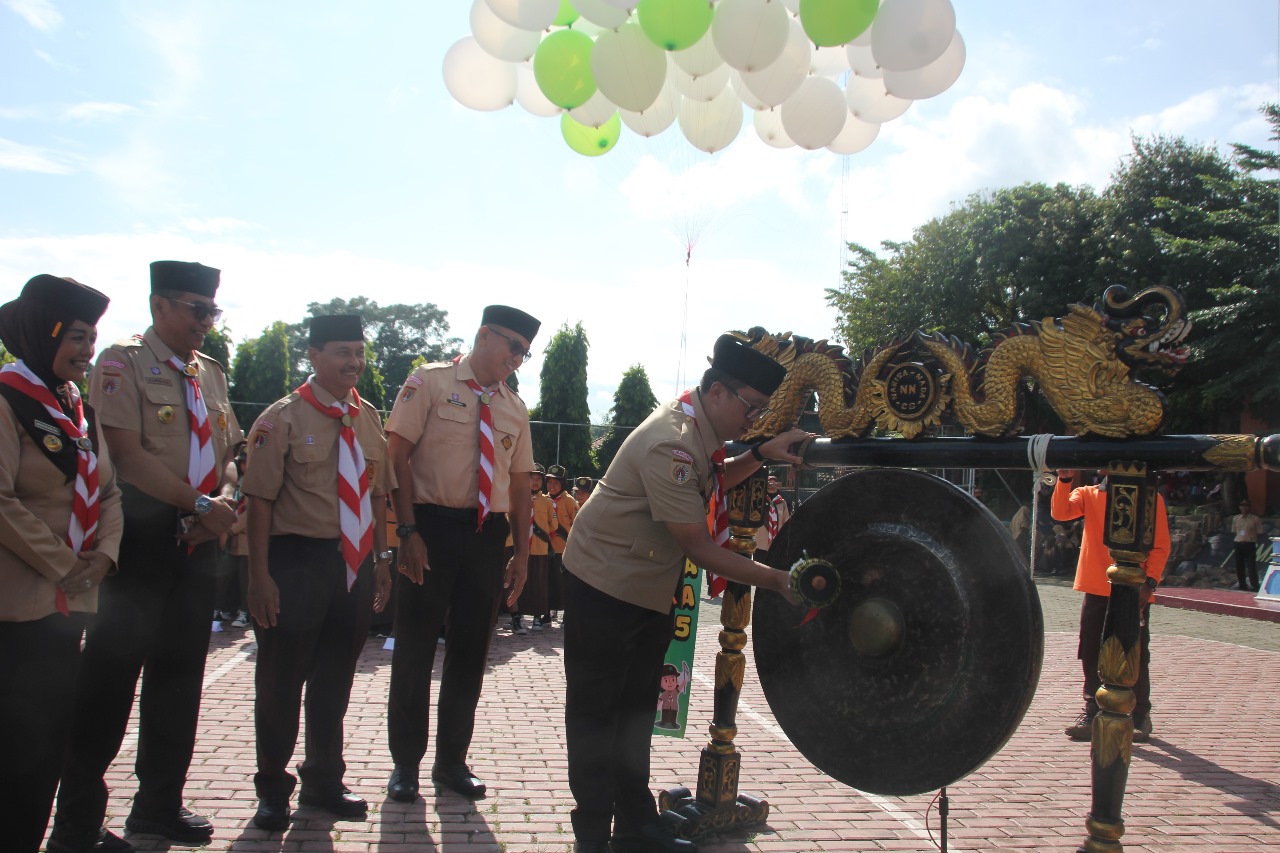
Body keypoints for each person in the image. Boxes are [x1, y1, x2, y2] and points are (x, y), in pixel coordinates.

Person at [562, 334, 811, 853]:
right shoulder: (673, 441)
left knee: (634, 713)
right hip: (604, 588)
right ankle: (591, 837)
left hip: (647, 591)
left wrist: (761, 453)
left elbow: (714, 485)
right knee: (595, 716)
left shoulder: (698, 433)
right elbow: (697, 544)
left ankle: (634, 825)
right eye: (752, 407)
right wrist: (775, 580)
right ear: (718, 391)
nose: (753, 419)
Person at [51, 261, 242, 851]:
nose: (207, 322)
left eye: (213, 311)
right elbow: (126, 457)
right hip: (138, 541)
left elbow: (230, 451)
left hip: (197, 544)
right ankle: (76, 824)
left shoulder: (208, 373)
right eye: (197, 309)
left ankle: (157, 807)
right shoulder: (121, 363)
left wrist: (225, 500)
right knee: (108, 683)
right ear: (161, 305)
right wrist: (200, 503)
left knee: (180, 680)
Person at [240, 314, 394, 831]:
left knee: (335, 680)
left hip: (350, 564)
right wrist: (258, 576)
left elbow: (376, 494)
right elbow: (258, 502)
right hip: (295, 561)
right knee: (281, 682)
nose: (354, 362)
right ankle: (272, 790)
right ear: (314, 355)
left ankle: (324, 780)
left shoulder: (368, 417)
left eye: (359, 352)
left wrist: (383, 559)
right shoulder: (281, 418)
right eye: (342, 352)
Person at [384, 305, 539, 802]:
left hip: (486, 537)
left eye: (525, 352)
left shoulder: (514, 408)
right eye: (512, 346)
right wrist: (406, 530)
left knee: (471, 653)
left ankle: (451, 762)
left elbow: (519, 488)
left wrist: (520, 552)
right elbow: (396, 457)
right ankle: (405, 764)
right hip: (429, 526)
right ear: (484, 335)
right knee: (414, 648)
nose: (518, 358)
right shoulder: (430, 382)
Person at [0, 275, 122, 853]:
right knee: (14, 750)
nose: (87, 350)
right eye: (77, 336)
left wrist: (103, 556)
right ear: (42, 333)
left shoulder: (79, 408)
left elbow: (110, 494)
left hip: (68, 605)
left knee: (45, 748)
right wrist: (64, 563)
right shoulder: (6, 399)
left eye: (93, 337)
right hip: (16, 606)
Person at [1052, 469, 1170, 744]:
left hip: (1133, 588)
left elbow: (1161, 545)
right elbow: (1061, 512)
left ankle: (1139, 716)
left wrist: (1150, 582)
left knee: (1135, 653)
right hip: (1096, 586)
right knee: (1090, 650)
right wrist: (1065, 479)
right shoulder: (1089, 494)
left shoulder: (1150, 500)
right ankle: (1093, 711)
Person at [508, 464, 555, 635]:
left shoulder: (547, 502)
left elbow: (553, 525)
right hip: (517, 547)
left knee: (537, 583)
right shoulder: (515, 498)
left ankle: (537, 616)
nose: (534, 482)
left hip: (538, 548)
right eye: (531, 478)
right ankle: (516, 616)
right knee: (514, 582)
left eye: (538, 479)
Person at [544, 463, 577, 627]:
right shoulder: (544, 500)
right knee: (548, 582)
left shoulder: (569, 501)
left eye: (556, 483)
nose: (552, 486)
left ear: (563, 483)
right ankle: (546, 612)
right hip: (545, 549)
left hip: (563, 549)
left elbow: (577, 524)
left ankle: (566, 613)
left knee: (562, 583)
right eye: (549, 482)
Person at [752, 473, 791, 559]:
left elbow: (786, 522)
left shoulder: (782, 502)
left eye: (775, 484)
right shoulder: (759, 500)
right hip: (760, 542)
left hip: (776, 542)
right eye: (770, 483)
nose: (772, 486)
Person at [1230, 499, 1265, 592]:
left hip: (1250, 543)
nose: (1244, 507)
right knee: (1239, 565)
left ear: (1249, 507)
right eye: (1242, 505)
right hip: (1238, 543)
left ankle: (1255, 585)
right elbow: (1234, 531)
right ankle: (1242, 584)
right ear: (1239, 507)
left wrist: (1252, 539)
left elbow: (1260, 532)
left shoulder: (1255, 519)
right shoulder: (1236, 518)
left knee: (1251, 566)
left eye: (1246, 505)